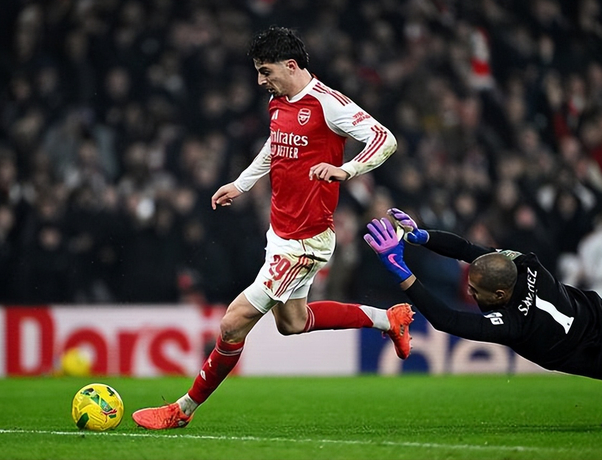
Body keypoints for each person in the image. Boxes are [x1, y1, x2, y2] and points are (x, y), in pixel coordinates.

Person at [132, 26, 412, 430]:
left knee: (232, 322)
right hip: (280, 233)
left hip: (306, 240)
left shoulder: (328, 104)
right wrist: (241, 184)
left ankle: (182, 410)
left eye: (266, 71)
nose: (261, 81)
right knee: (292, 322)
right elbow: (274, 146)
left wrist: (346, 169)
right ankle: (390, 319)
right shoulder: (278, 103)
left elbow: (384, 139)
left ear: (291, 65)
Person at [363, 208, 602, 390]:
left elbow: (446, 319)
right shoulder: (528, 264)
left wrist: (400, 269)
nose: (470, 294)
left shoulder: (516, 324)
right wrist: (423, 236)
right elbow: (467, 249)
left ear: (499, 295)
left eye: (475, 291)